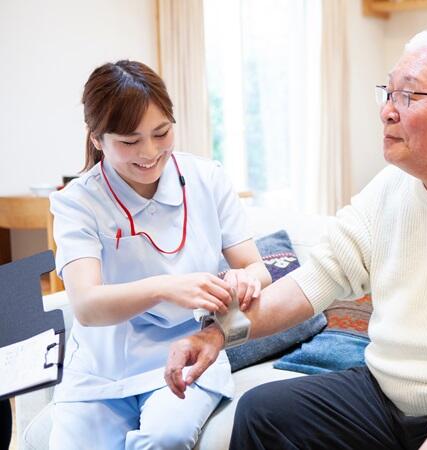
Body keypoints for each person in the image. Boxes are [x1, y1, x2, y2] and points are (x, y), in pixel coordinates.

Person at [165, 29, 427, 450]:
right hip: (392, 398)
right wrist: (219, 333)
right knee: (263, 413)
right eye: (387, 93)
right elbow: (314, 279)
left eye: (408, 96)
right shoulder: (388, 189)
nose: (387, 111)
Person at [49, 60, 271, 450]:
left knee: (163, 438)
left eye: (161, 133)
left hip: (186, 354)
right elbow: (86, 305)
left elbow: (256, 267)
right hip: (102, 367)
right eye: (129, 141)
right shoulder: (78, 202)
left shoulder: (207, 179)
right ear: (97, 139)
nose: (149, 153)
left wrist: (245, 279)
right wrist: (166, 288)